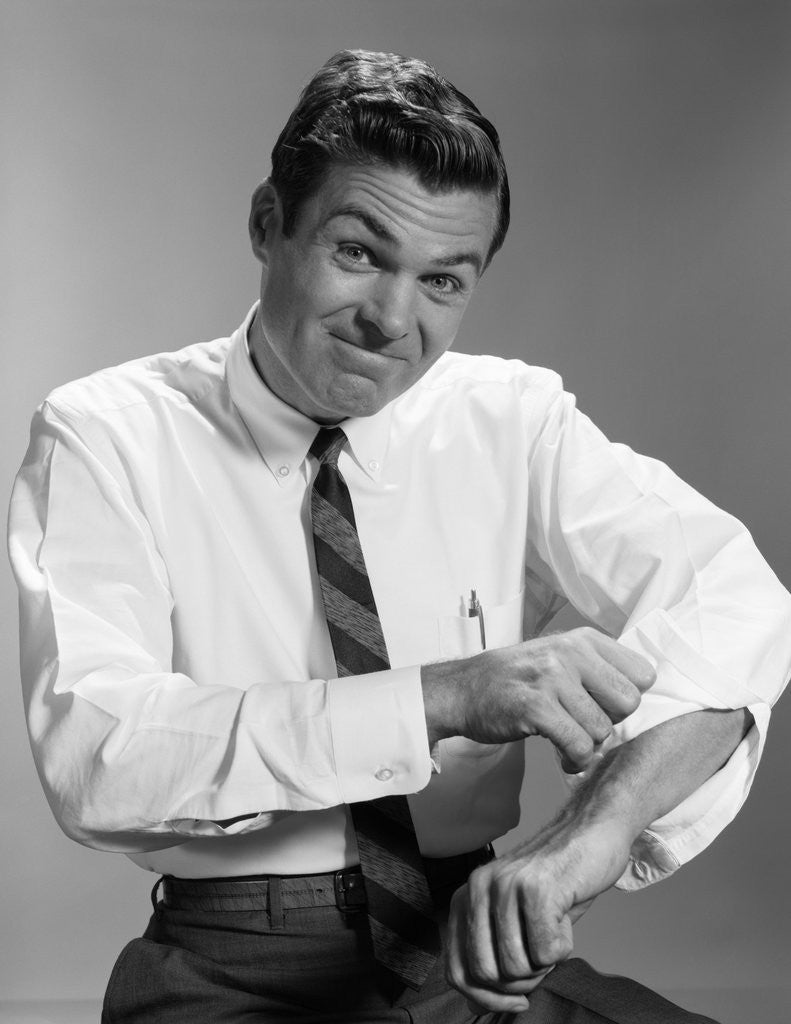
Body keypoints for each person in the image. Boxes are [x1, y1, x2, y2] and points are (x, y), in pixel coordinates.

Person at [8, 49, 791, 1024]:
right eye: (359, 253)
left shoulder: (511, 420)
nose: (392, 319)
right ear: (267, 223)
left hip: (463, 954)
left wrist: (586, 838)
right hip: (224, 973)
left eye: (442, 281)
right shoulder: (104, 434)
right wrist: (440, 696)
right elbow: (101, 752)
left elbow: (739, 602)